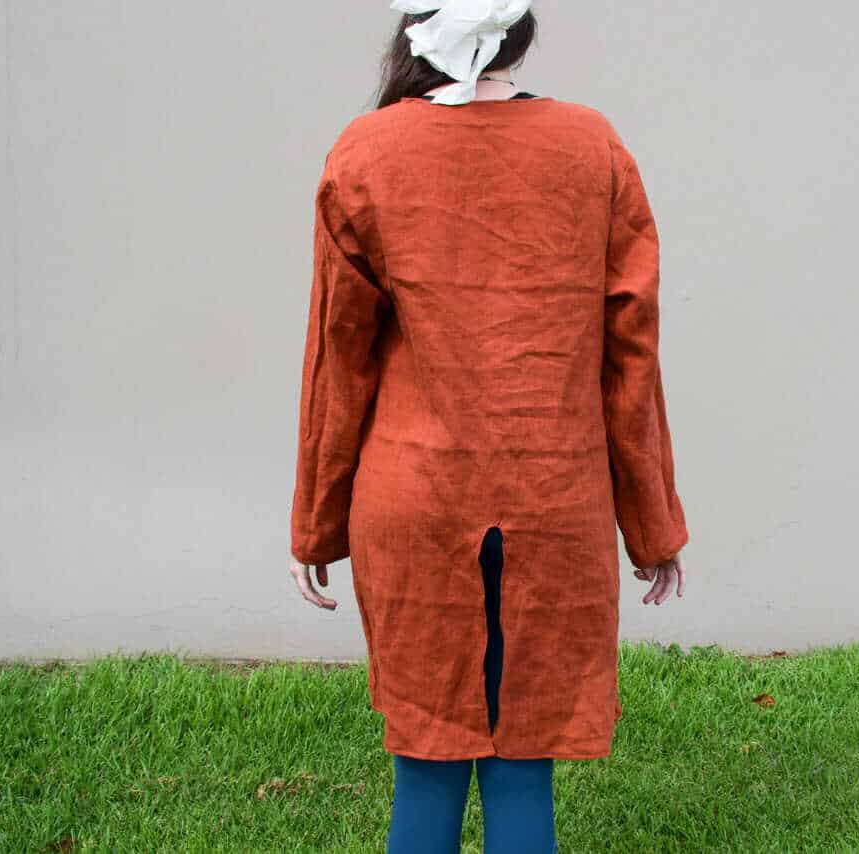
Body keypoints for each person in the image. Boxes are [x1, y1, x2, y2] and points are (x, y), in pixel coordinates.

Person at [288, 2, 689, 851]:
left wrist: (316, 523)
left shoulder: (367, 153)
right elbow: (632, 355)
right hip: (556, 498)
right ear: (520, 30)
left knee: (427, 757)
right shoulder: (593, 149)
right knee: (523, 763)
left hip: (414, 501)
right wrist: (651, 523)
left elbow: (338, 358)